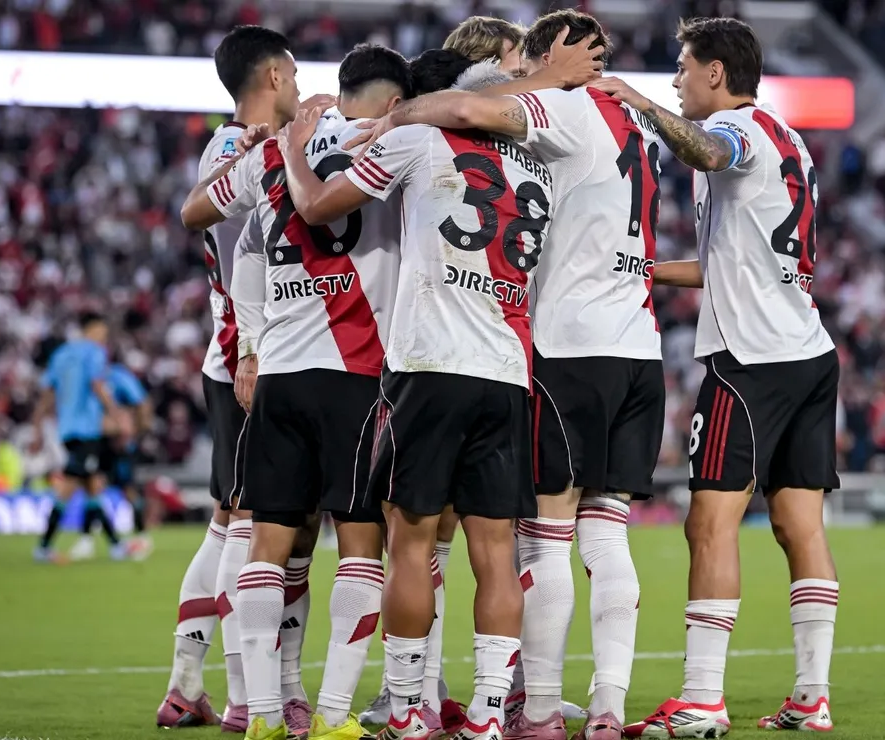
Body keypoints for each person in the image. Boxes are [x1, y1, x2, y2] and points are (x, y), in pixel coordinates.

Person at [354, 11, 658, 740]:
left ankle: (427, 701)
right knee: (548, 540)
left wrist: (394, 118)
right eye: (511, 60)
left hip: (494, 348)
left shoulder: (504, 120)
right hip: (581, 349)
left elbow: (457, 112)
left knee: (428, 537)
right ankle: (524, 707)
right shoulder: (625, 123)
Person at [272, 43, 588, 739]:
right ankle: (485, 717)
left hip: (430, 365)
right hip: (506, 369)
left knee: (410, 542)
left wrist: (295, 148)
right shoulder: (536, 164)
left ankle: (410, 712)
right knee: (496, 551)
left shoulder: (417, 138)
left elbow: (321, 206)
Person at [591, 17, 841, 735]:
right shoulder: (786, 140)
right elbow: (726, 268)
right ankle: (812, 694)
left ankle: (702, 698)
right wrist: (639, 270)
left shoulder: (738, 133)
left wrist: (641, 106)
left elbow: (703, 148)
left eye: (682, 67)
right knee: (799, 524)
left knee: (709, 523)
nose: (675, 80)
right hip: (806, 350)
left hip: (751, 361)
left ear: (714, 73)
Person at [182, 43, 414, 740]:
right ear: (395, 98)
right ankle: (337, 716)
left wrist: (250, 348)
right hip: (356, 377)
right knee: (360, 546)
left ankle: (256, 714)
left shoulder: (277, 146)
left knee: (266, 544)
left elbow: (201, 216)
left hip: (279, 375)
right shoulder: (401, 139)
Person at [157, 24, 302, 734]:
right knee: (252, 523)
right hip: (255, 353)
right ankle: (247, 698)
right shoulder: (241, 153)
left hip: (241, 353)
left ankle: (186, 684)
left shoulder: (226, 147)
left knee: (227, 520)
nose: (301, 87)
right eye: (296, 75)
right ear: (272, 77)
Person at [33, 312, 123, 563]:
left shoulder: (60, 355)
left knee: (93, 486)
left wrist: (36, 426)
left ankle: (116, 545)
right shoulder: (94, 352)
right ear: (93, 329)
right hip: (86, 430)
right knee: (70, 486)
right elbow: (97, 385)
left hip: (66, 429)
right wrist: (116, 413)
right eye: (102, 332)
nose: (104, 337)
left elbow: (48, 394)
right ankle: (43, 546)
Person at [102, 360, 154, 559]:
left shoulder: (118, 376)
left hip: (121, 443)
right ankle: (88, 537)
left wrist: (136, 433)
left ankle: (142, 534)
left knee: (129, 489)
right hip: (101, 439)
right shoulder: (94, 377)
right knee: (93, 485)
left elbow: (141, 403)